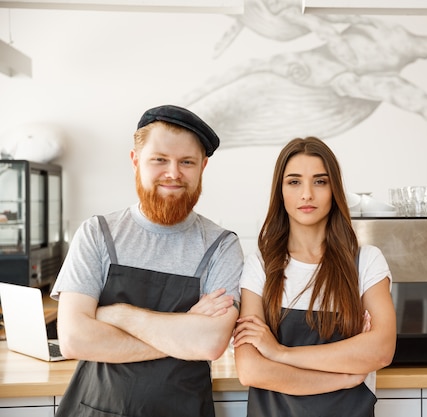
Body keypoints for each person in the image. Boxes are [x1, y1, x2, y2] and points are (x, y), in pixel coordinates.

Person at [51, 104, 243, 417]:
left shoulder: (221, 246)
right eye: (159, 160)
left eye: (187, 162)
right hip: (95, 409)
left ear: (202, 167)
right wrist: (182, 335)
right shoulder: (98, 234)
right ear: (135, 161)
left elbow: (209, 343)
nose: (173, 173)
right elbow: (74, 339)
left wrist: (120, 315)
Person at [233, 137, 396, 417]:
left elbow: (380, 350)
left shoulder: (366, 261)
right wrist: (344, 376)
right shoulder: (260, 264)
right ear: (280, 192)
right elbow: (251, 370)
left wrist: (279, 353)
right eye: (294, 182)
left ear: (334, 190)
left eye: (320, 181)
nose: (306, 194)